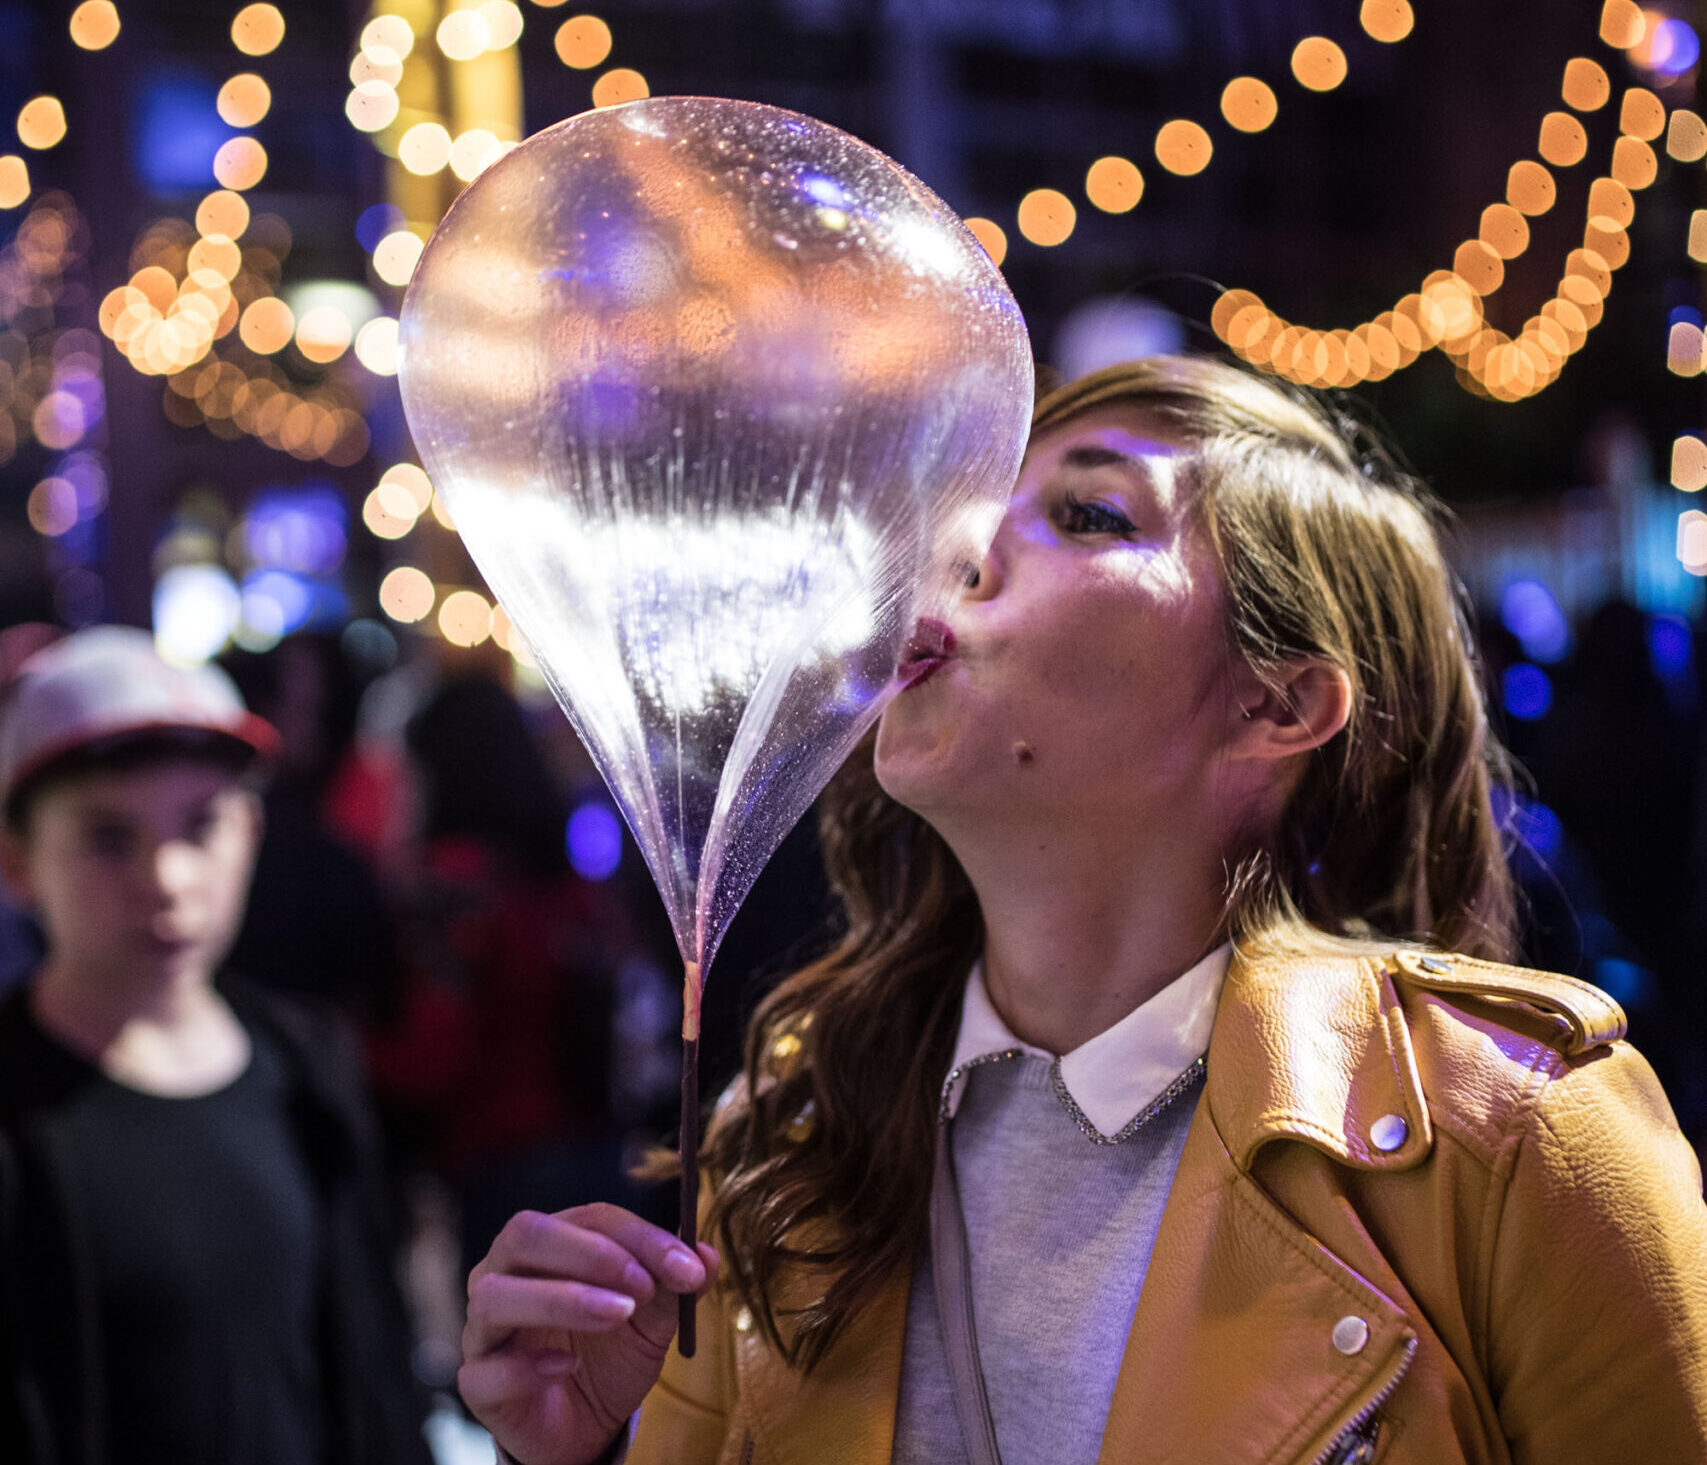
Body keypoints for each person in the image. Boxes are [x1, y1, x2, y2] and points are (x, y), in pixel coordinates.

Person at [457, 356, 1707, 1464]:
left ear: (1276, 708)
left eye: (1088, 514)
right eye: (979, 507)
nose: (960, 550)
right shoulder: (782, 1133)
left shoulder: (1517, 1142)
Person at [0, 626, 432, 1465]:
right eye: (108, 837)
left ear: (250, 832)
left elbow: (372, 1362)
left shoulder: (307, 1064)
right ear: (18, 860)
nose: (166, 879)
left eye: (199, 826)